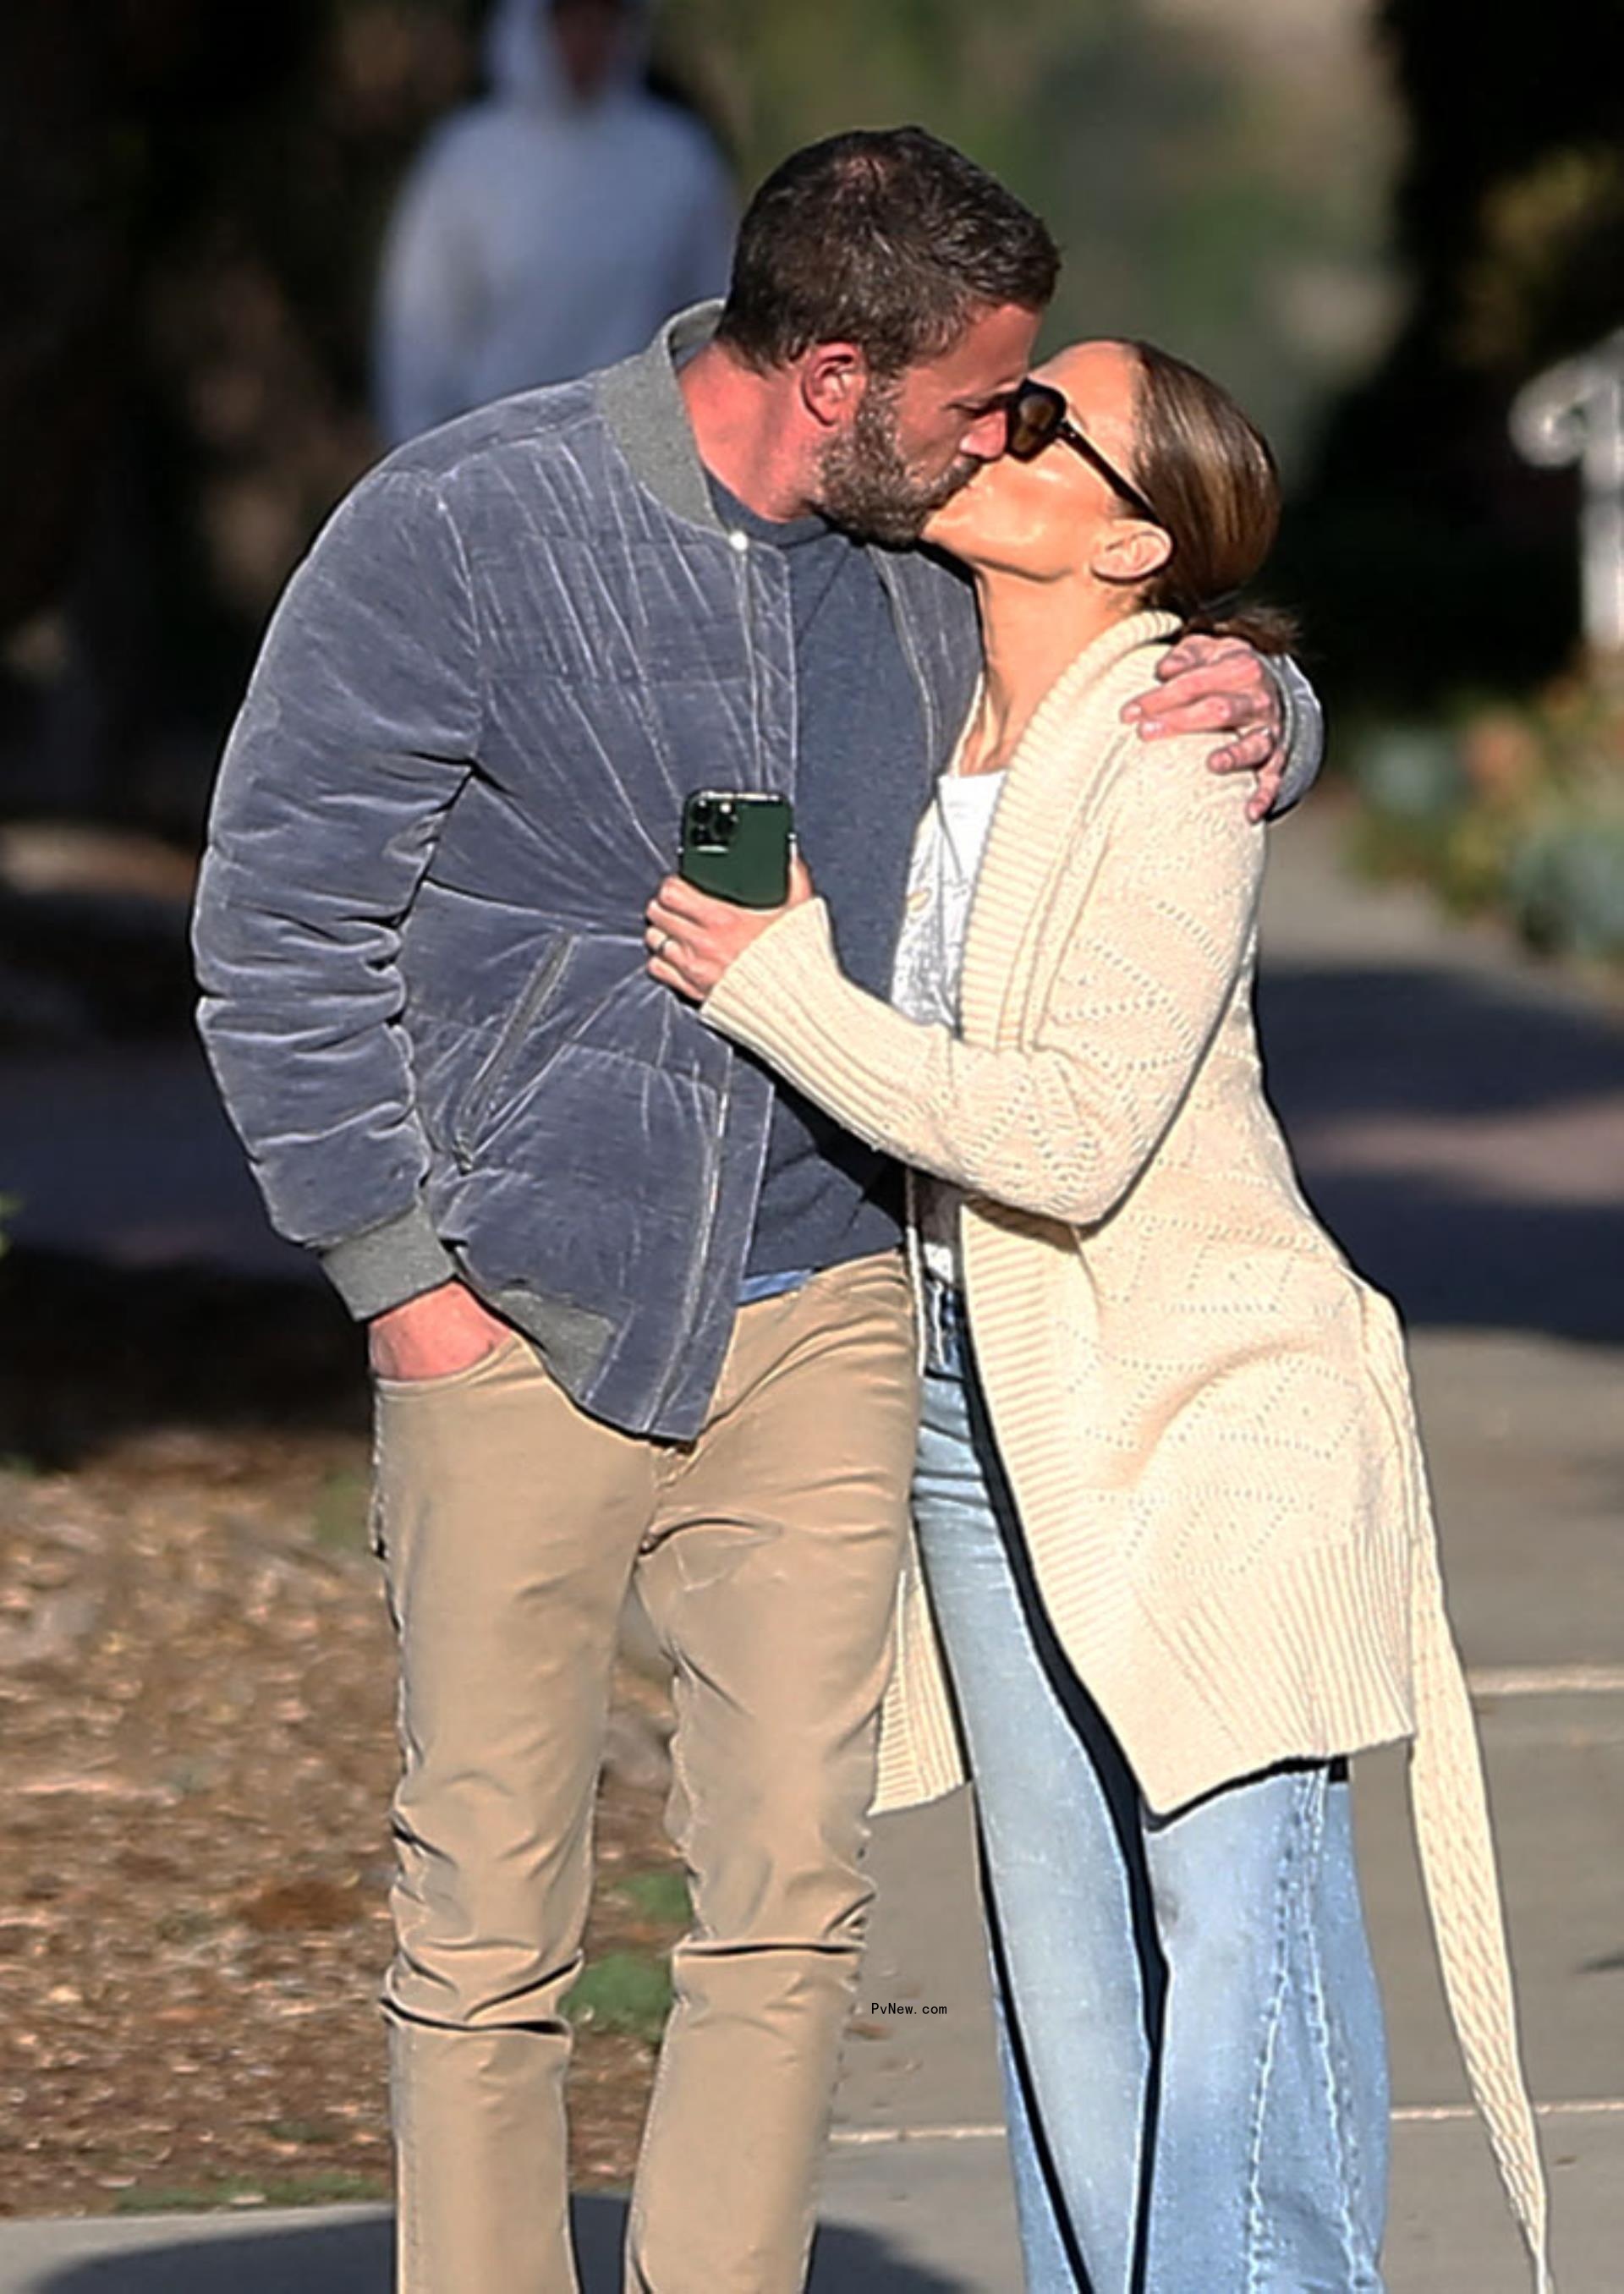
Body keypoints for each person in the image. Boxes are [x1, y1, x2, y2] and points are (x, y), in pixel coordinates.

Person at [192, 130, 1325, 2294]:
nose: (1007, 435)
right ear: (833, 375)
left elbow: (1135, 663)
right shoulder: (464, 526)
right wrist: (396, 1276)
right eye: (980, 394)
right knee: (489, 1909)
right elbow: (278, 922)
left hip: (820, 1312)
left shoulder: (924, 557)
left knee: (791, 1901)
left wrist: (1273, 699)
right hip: (514, 1310)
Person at [644, 342, 1554, 2293]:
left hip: (1214, 1394)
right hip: (975, 1411)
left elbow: (1059, 1133)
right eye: (1004, 393)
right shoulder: (899, 654)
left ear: (1134, 538)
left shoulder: (1176, 747)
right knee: (1061, 1977)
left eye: (1047, 418)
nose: (996, 421)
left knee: (1236, 1928)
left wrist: (780, 984)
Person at [372, 0, 734, 445]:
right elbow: (419, 330)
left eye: (605, 20)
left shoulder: (677, 159)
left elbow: (710, 319)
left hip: (633, 459)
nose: (587, 40)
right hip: (492, 451)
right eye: (570, 20)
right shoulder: (468, 157)